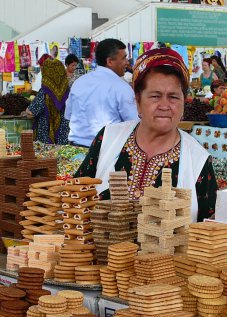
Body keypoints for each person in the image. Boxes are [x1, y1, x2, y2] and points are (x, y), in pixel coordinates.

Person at [74, 48, 218, 222]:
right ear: (138, 101)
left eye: (173, 97)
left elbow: (210, 231)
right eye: (155, 96)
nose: (165, 105)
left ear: (183, 103)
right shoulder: (108, 139)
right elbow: (75, 197)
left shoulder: (198, 159)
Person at [64, 38, 138, 147]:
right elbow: (135, 122)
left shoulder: (79, 82)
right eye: (124, 58)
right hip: (104, 152)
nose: (127, 62)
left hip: (75, 150)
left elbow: (69, 115)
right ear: (110, 61)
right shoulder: (121, 87)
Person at [24, 58, 70, 145]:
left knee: (48, 158)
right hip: (64, 136)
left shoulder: (45, 92)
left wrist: (26, 112)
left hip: (46, 138)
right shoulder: (68, 91)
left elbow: (30, 112)